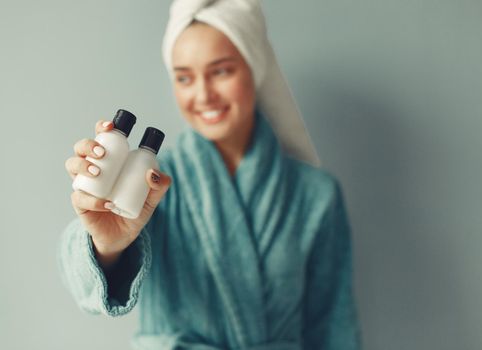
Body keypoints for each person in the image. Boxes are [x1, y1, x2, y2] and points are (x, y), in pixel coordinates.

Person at [58, 0, 361, 349]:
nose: (203, 94)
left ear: (254, 68)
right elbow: (81, 285)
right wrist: (106, 244)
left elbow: (334, 330)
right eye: (184, 77)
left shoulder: (316, 194)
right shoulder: (149, 182)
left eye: (221, 71)